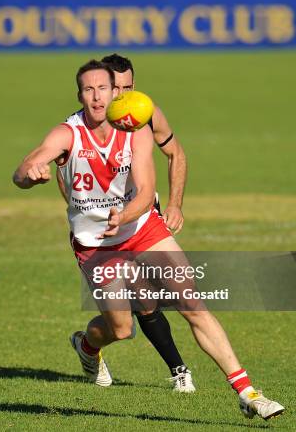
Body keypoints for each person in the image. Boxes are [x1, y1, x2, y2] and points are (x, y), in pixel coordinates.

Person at [13, 60, 284, 421]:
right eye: (88, 90)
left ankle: (248, 392)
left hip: (141, 227)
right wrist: (30, 174)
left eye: (103, 89)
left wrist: (125, 216)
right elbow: (22, 170)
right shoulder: (67, 133)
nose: (96, 97)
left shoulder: (136, 129)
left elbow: (144, 191)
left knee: (193, 304)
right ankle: (87, 345)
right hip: (95, 245)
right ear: (80, 94)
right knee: (121, 329)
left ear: (115, 92)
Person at [54, 54, 193, 392]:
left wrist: (174, 204)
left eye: (128, 87)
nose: (121, 95)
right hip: (103, 229)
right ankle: (92, 346)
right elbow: (66, 182)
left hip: (143, 214)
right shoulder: (77, 128)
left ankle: (179, 370)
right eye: (115, 88)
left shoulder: (144, 112)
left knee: (177, 294)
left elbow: (176, 153)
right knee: (126, 321)